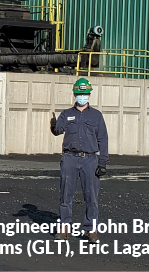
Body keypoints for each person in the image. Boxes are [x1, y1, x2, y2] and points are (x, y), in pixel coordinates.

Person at [50, 78, 109, 242]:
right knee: (65, 196)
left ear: (89, 95)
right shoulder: (66, 114)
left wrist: (102, 162)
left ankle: (91, 230)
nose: (82, 96)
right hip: (69, 158)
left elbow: (103, 140)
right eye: (79, 93)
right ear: (74, 94)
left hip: (90, 160)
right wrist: (53, 125)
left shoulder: (96, 116)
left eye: (84, 93)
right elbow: (58, 131)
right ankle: (63, 229)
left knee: (91, 197)